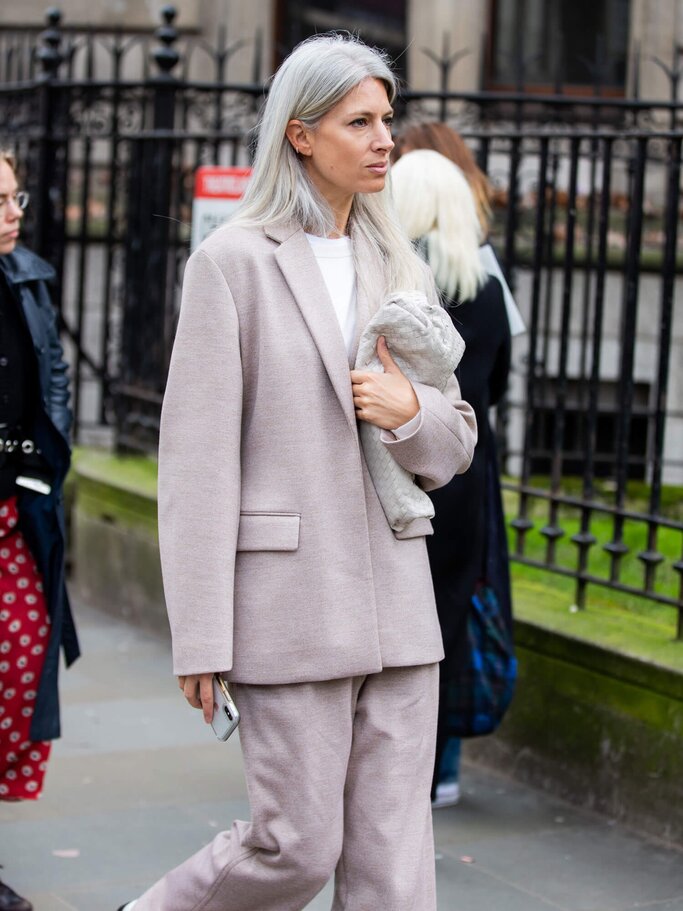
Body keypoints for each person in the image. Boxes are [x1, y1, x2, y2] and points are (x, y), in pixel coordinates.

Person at [117, 33, 477, 911]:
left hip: (397, 604)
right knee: (296, 846)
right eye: (359, 121)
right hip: (284, 606)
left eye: (386, 119)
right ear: (301, 134)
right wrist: (200, 634)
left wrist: (410, 414)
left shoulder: (398, 265)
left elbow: (455, 436)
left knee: (393, 867)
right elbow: (196, 462)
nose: (384, 138)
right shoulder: (231, 264)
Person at [391, 147, 513, 809]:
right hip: (468, 468)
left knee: (395, 608)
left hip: (400, 458)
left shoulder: (395, 285)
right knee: (447, 614)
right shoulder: (488, 287)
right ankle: (437, 765)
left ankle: (388, 759)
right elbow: (495, 384)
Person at [0, 149, 79, 911]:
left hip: (16, 513)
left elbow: (52, 372)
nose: (15, 210)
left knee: (19, 676)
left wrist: (48, 456)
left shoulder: (26, 274)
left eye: (15, 194)